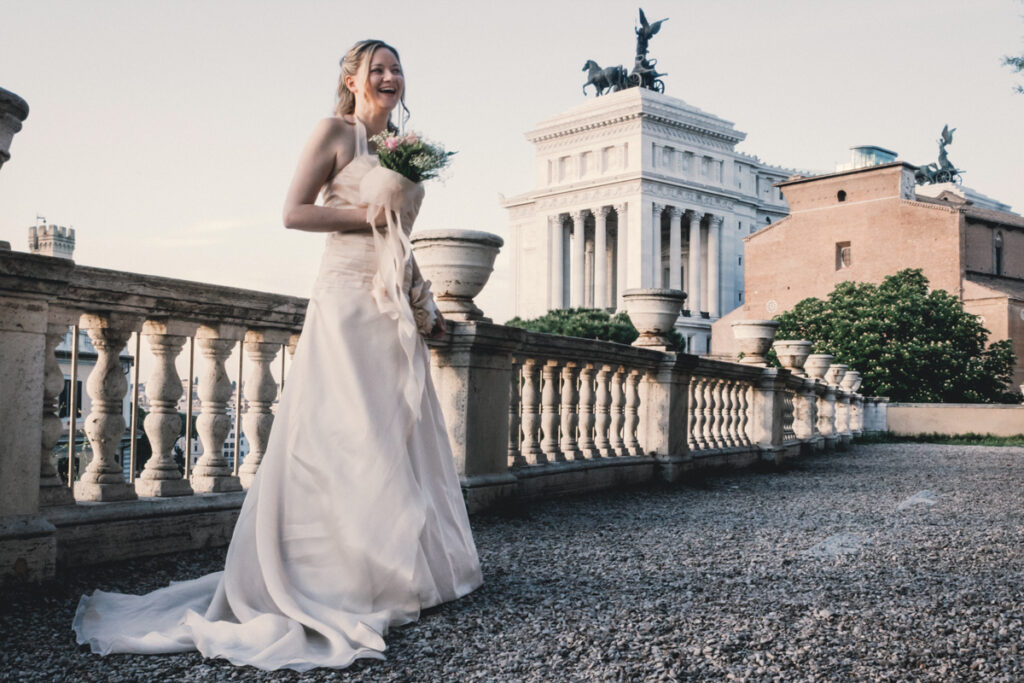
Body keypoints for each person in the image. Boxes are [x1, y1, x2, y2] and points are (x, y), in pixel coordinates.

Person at [72, 39, 483, 672]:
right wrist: (367, 214)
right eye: (377, 68)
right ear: (351, 80)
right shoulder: (336, 132)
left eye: (396, 68)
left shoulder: (400, 146)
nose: (389, 76)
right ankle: (331, 579)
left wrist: (421, 297)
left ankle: (397, 572)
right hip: (345, 298)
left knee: (393, 433)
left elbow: (396, 235)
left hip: (387, 303)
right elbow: (294, 212)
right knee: (343, 434)